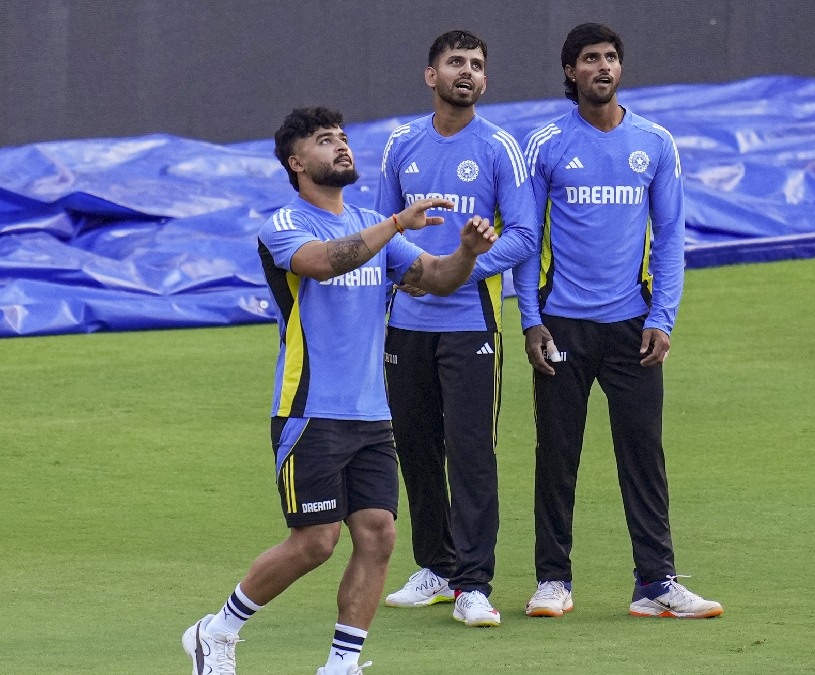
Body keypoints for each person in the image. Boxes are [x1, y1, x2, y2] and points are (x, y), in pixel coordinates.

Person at [182, 106, 496, 675]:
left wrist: (468, 254)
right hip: (309, 410)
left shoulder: (371, 222)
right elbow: (324, 263)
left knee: (378, 536)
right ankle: (217, 630)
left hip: (371, 415)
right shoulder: (285, 226)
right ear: (297, 162)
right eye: (326, 140)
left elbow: (436, 278)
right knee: (316, 542)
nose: (342, 146)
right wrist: (396, 224)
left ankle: (341, 664)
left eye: (344, 137)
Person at [515, 22, 723, 620]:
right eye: (590, 58)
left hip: (634, 327)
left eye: (610, 57)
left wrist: (664, 317)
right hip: (561, 325)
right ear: (570, 71)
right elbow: (526, 239)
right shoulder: (547, 143)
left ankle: (655, 583)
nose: (602, 66)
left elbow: (671, 239)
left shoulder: (654, 143)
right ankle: (552, 581)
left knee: (643, 455)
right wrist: (530, 320)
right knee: (557, 457)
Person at [375, 29, 537, 628]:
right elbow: (383, 228)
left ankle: (473, 584)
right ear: (431, 75)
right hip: (406, 324)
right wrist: (411, 275)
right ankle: (436, 569)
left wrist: (456, 270)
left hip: (472, 324)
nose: (466, 72)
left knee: (470, 454)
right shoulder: (401, 144)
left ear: (484, 81)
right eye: (455, 62)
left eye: (476, 65)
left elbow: (524, 233)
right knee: (416, 448)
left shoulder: (499, 147)